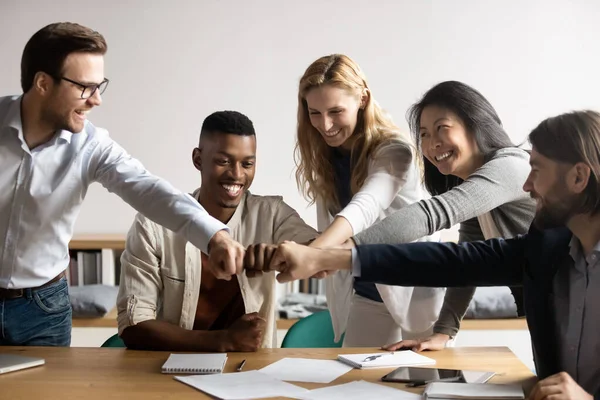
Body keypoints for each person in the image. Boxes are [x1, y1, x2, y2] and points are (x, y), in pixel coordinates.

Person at [268, 110, 600, 399]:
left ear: (578, 177)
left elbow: (434, 214)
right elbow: (454, 262)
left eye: (537, 170)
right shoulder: (547, 246)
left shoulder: (503, 174)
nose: (527, 186)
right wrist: (331, 259)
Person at [0, 23, 243, 347]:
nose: (97, 100)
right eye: (85, 88)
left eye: (100, 86)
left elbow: (149, 189)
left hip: (43, 310)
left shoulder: (91, 145)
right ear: (43, 83)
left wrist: (214, 235)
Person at [352, 81, 536, 351]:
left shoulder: (511, 167)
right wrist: (444, 332)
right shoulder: (478, 189)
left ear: (476, 125)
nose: (431, 144)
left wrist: (344, 250)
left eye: (442, 128)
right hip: (546, 304)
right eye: (424, 134)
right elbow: (466, 263)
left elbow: (433, 213)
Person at [117, 111, 317, 351]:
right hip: (170, 372)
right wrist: (223, 341)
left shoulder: (272, 215)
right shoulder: (153, 225)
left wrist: (284, 253)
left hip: (253, 374)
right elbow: (133, 326)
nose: (237, 174)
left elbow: (321, 254)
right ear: (198, 159)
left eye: (247, 163)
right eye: (223, 161)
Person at [294, 54, 443, 347]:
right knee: (355, 383)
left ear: (362, 99)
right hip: (367, 289)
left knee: (426, 384)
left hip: (417, 287)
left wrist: (314, 255)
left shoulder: (394, 150)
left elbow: (365, 207)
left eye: (336, 111)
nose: (325, 125)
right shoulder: (325, 155)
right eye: (315, 113)